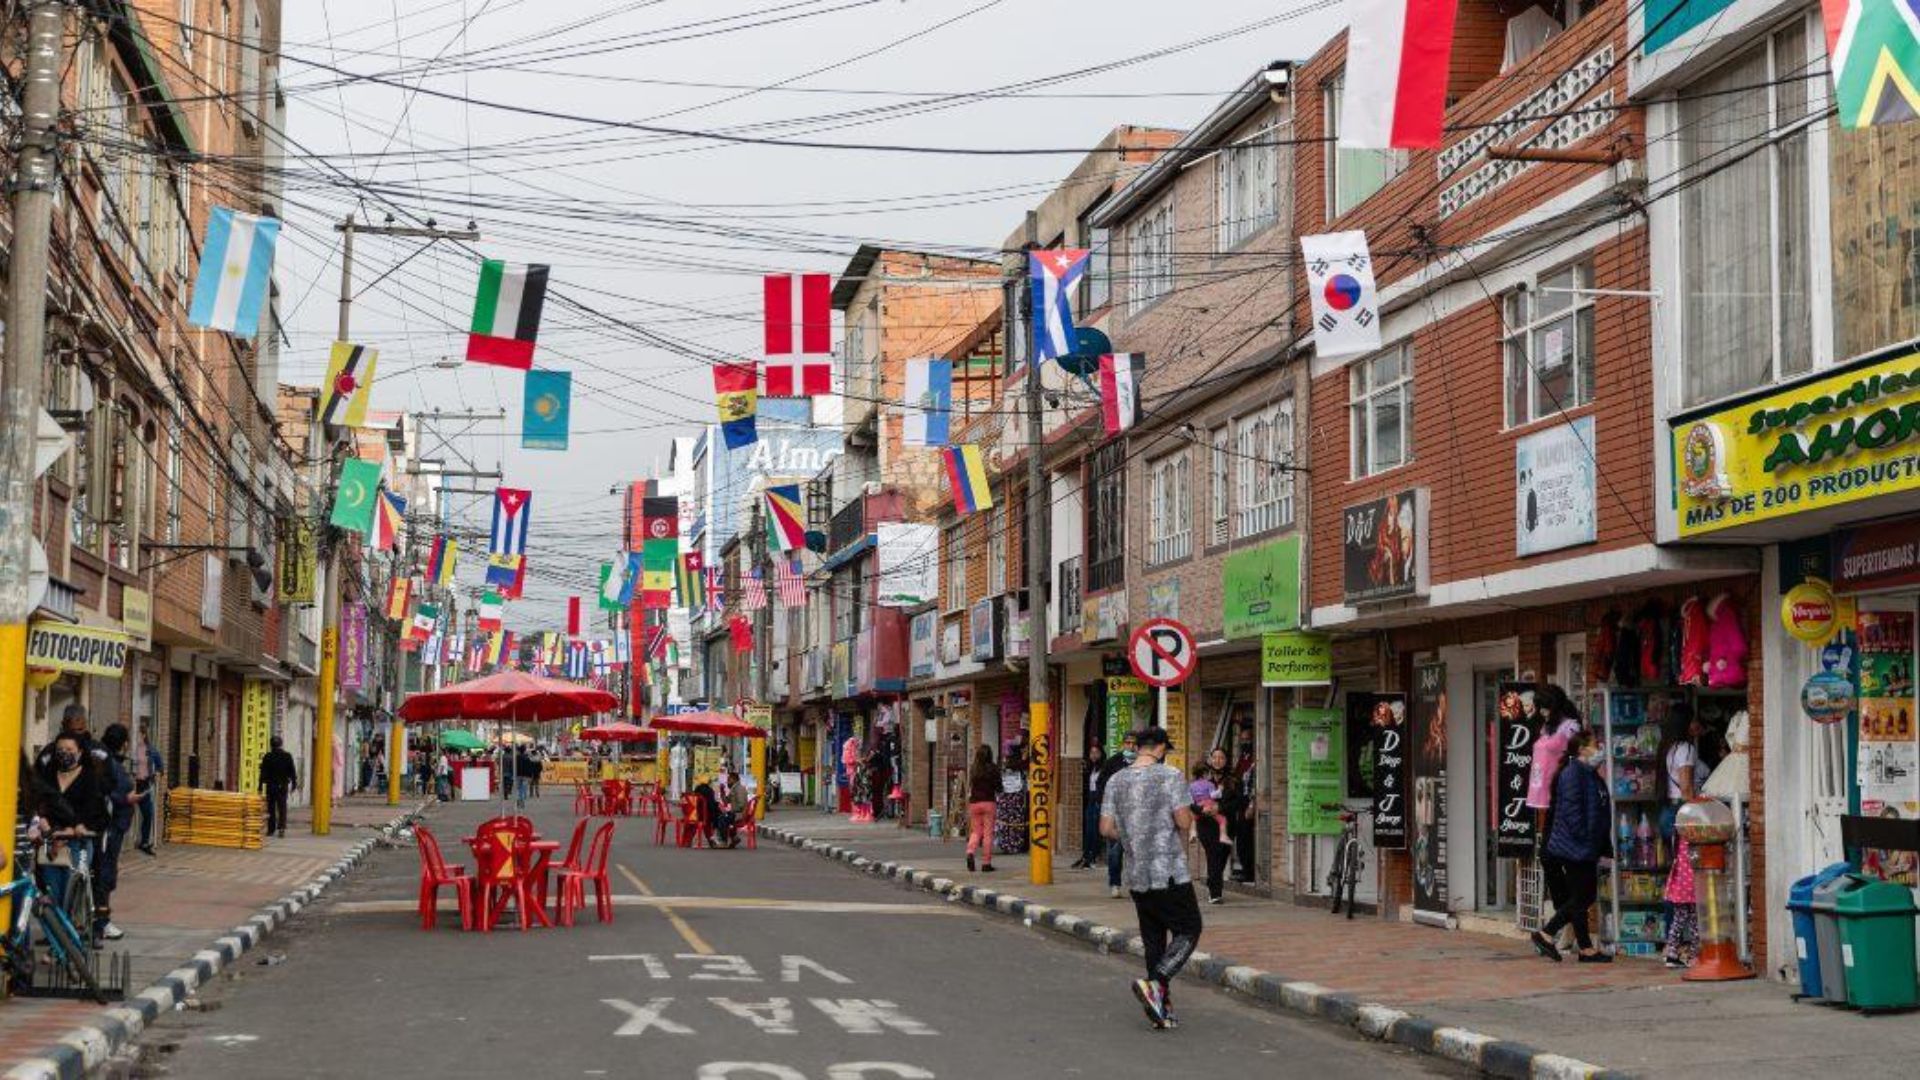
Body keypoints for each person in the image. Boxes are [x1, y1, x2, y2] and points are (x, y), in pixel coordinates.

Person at [1100, 727, 1200, 1030]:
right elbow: (1183, 821)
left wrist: (1132, 837)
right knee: (1189, 929)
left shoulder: (1116, 779)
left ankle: (1161, 1009)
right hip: (1168, 870)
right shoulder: (1170, 775)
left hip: (1137, 873)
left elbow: (1106, 828)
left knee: (1153, 938)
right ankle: (1156, 983)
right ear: (1158, 748)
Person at [1531, 729, 1613, 964]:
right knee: (1583, 896)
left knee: (1581, 897)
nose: (1600, 748)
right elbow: (1571, 812)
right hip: (1575, 847)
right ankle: (1546, 933)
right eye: (1595, 744)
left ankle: (1585, 948)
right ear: (1581, 749)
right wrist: (1586, 837)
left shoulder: (1589, 773)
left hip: (1585, 846)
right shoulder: (1573, 774)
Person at [35, 732, 107, 938]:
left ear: (80, 752)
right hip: (52, 842)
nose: (64, 754)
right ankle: (56, 943)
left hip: (77, 842)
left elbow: (95, 810)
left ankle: (72, 938)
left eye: (69, 751)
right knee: (51, 894)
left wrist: (77, 827)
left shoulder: (89, 778)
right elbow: (40, 802)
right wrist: (43, 822)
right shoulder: (48, 774)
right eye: (60, 751)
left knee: (70, 893)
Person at [94, 724, 136, 941]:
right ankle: (101, 923)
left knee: (103, 873)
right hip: (108, 829)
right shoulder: (108, 763)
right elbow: (110, 793)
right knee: (104, 874)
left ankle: (98, 921)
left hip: (111, 828)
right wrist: (126, 799)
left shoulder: (106, 759)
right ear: (123, 744)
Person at [1658, 705, 1709, 840]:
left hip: (1669, 810)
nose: (1697, 724)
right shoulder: (1685, 749)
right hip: (1681, 810)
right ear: (1685, 723)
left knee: (1677, 858)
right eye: (1693, 721)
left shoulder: (1669, 747)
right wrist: (1696, 815)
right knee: (1687, 857)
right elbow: (1686, 788)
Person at [1099, 732, 1136, 896]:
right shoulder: (1112, 763)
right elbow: (1101, 784)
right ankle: (1115, 883)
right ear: (1123, 744)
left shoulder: (1145, 763)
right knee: (1115, 851)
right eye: (1128, 743)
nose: (1131, 746)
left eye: (1134, 743)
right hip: (1116, 814)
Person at [1190, 762, 1233, 905]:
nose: (1218, 760)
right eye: (1215, 757)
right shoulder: (1209, 784)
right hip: (1207, 824)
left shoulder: (1231, 780)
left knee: (1218, 856)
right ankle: (1215, 892)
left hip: (1205, 819)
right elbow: (1214, 795)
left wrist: (1201, 809)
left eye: (1221, 758)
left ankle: (1212, 883)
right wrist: (1205, 809)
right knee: (1213, 855)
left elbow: (1190, 801)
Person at [1071, 745, 1106, 870]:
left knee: (1095, 831)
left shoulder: (1104, 768)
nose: (1094, 755)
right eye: (1092, 752)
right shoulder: (1091, 768)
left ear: (1101, 754)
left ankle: (1093, 856)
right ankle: (1086, 855)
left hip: (1098, 801)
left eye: (1096, 752)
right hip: (1091, 800)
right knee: (1088, 830)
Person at [964, 745, 997, 874]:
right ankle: (986, 863)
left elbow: (970, 784)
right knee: (988, 833)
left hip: (975, 803)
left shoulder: (974, 769)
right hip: (989, 802)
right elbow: (999, 786)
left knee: (976, 831)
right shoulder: (993, 769)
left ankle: (970, 851)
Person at [259, 736, 298, 839]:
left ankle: (271, 829)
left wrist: (260, 786)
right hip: (282, 786)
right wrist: (294, 783)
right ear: (281, 744)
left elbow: (263, 772)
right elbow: (292, 771)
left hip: (271, 786)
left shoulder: (268, 756)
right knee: (282, 807)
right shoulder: (287, 756)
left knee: (271, 808)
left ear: (271, 745)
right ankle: (281, 828)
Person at [134, 724, 164, 856]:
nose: (137, 737)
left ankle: (144, 841)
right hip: (133, 784)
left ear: (144, 735)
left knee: (148, 813)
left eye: (139, 734)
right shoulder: (131, 751)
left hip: (145, 785)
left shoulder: (151, 750)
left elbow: (160, 767)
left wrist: (157, 773)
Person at [692, 777, 739, 848]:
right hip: (708, 816)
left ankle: (730, 838)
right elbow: (713, 807)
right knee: (726, 818)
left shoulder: (696, 794)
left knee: (725, 817)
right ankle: (729, 838)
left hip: (695, 815)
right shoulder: (709, 792)